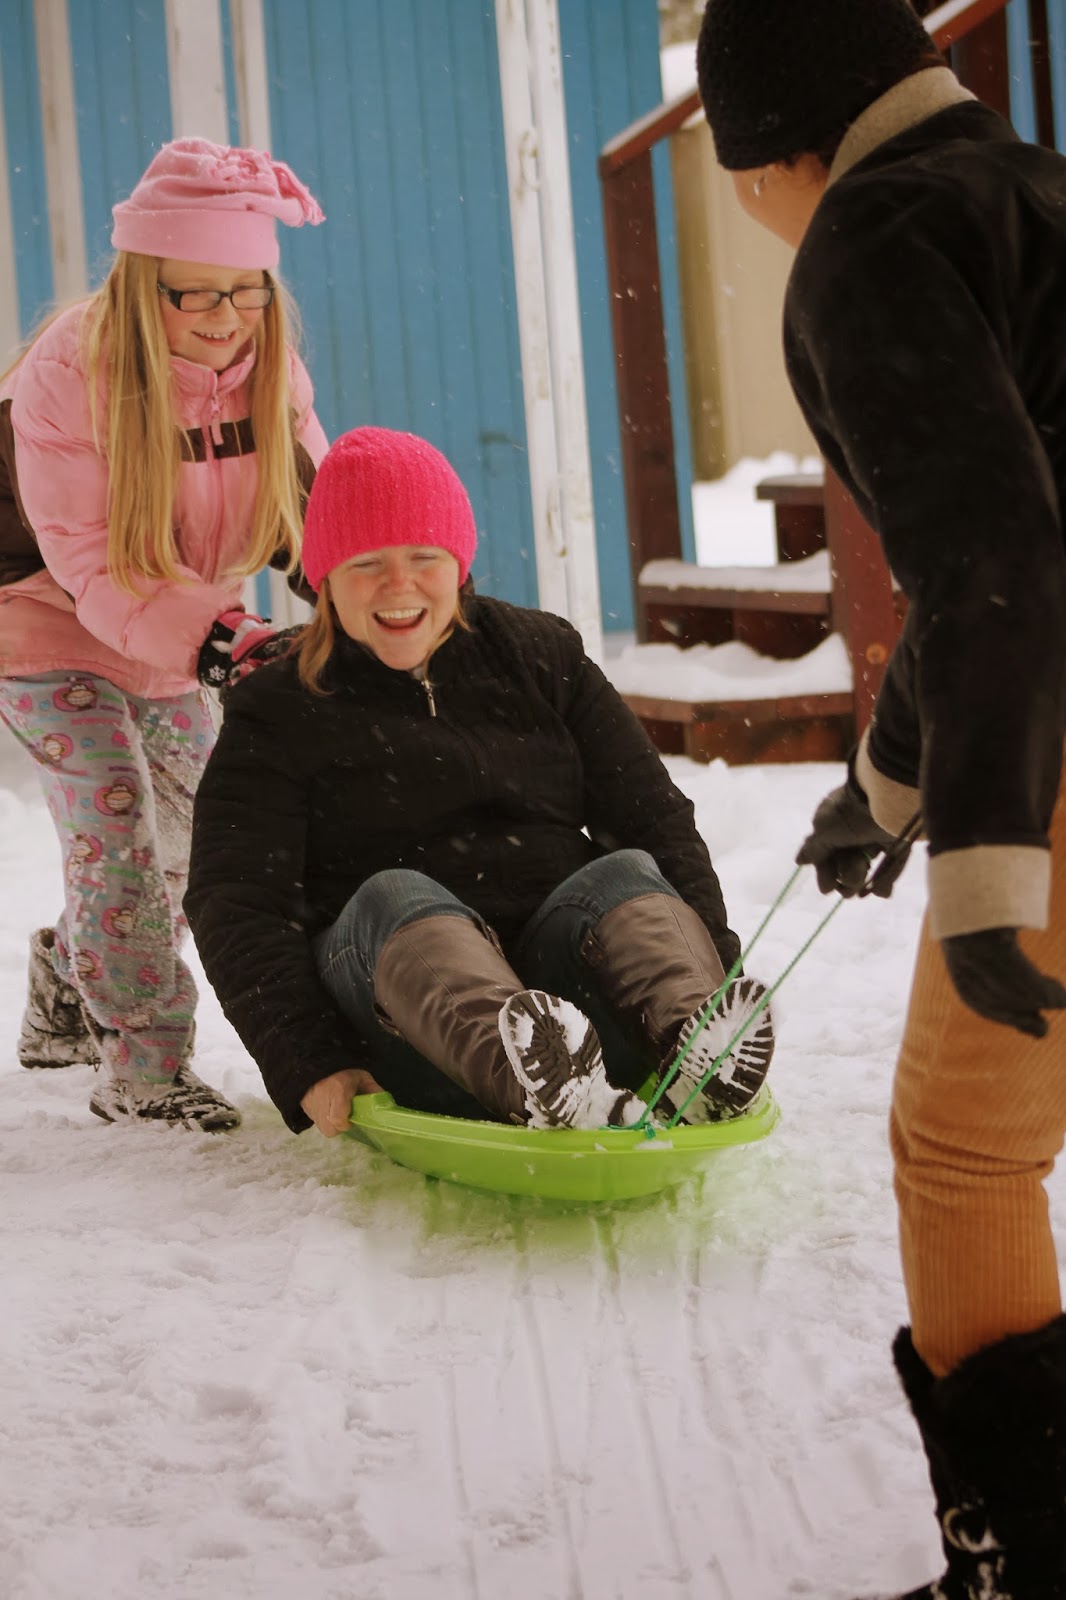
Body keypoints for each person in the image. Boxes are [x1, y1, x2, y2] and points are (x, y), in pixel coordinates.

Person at [696, 2, 1066, 1595]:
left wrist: (985, 869)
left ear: (774, 150)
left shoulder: (868, 238)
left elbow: (996, 558)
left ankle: (1029, 1561)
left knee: (965, 1152)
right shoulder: (1031, 188)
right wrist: (888, 783)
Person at [183, 426, 775, 1139]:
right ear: (325, 579)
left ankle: (697, 1046)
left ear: (459, 564)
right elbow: (235, 898)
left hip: (584, 1013)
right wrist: (308, 1060)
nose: (399, 585)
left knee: (626, 873)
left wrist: (716, 968)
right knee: (393, 892)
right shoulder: (279, 709)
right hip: (408, 1036)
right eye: (366, 563)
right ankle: (540, 1083)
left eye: (423, 557)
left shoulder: (541, 657)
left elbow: (656, 819)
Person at [0, 136, 327, 1131]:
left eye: (247, 291)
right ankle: (144, 1064)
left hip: (179, 620)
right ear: (144, 287)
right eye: (198, 294)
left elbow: (315, 506)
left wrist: (377, 589)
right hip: (41, 619)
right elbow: (90, 564)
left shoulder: (267, 368)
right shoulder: (70, 373)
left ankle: (70, 978)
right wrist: (225, 641)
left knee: (197, 836)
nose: (226, 318)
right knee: (117, 827)